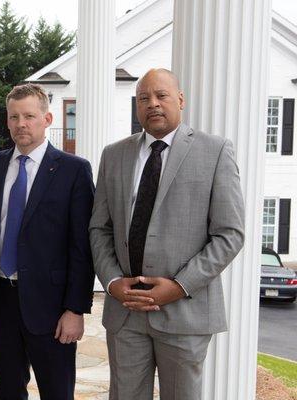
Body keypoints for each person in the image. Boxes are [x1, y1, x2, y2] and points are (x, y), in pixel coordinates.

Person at [89, 68, 245, 400]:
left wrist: (178, 286)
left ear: (180, 99)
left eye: (161, 95)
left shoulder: (215, 151)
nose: (153, 104)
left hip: (184, 312)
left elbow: (229, 234)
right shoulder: (114, 155)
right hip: (126, 313)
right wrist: (113, 282)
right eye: (143, 98)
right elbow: (100, 228)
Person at [0, 83, 95, 399]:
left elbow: (82, 247)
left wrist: (75, 309)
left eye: (29, 116)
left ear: (47, 119)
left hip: (52, 306)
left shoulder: (74, 170)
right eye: (14, 117)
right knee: (9, 390)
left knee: (57, 392)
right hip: (1, 301)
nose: (21, 124)